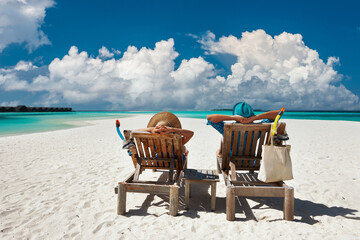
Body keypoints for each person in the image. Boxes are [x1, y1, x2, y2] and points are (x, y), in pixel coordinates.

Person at [207, 102, 285, 157]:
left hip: (231, 160)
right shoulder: (258, 129)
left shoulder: (228, 128)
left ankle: (220, 153)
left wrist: (232, 117)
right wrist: (256, 117)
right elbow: (279, 114)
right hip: (252, 161)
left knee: (223, 136)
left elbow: (209, 118)